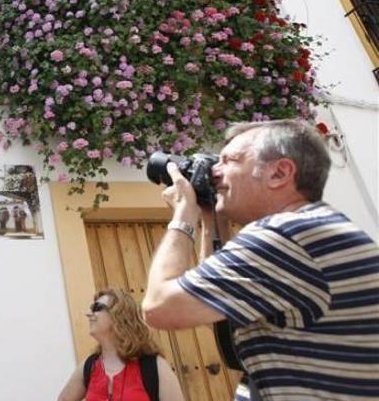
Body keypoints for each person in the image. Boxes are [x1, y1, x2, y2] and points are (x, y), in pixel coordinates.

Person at [142, 119, 379, 400]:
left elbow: (160, 307)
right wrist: (211, 219)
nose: (214, 173)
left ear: (279, 173)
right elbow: (218, 311)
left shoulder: (285, 236)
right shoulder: (308, 231)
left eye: (229, 161)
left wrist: (183, 214)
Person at [58, 288, 184, 401]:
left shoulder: (153, 367)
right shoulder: (89, 366)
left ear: (118, 315)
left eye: (96, 308)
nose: (88, 313)